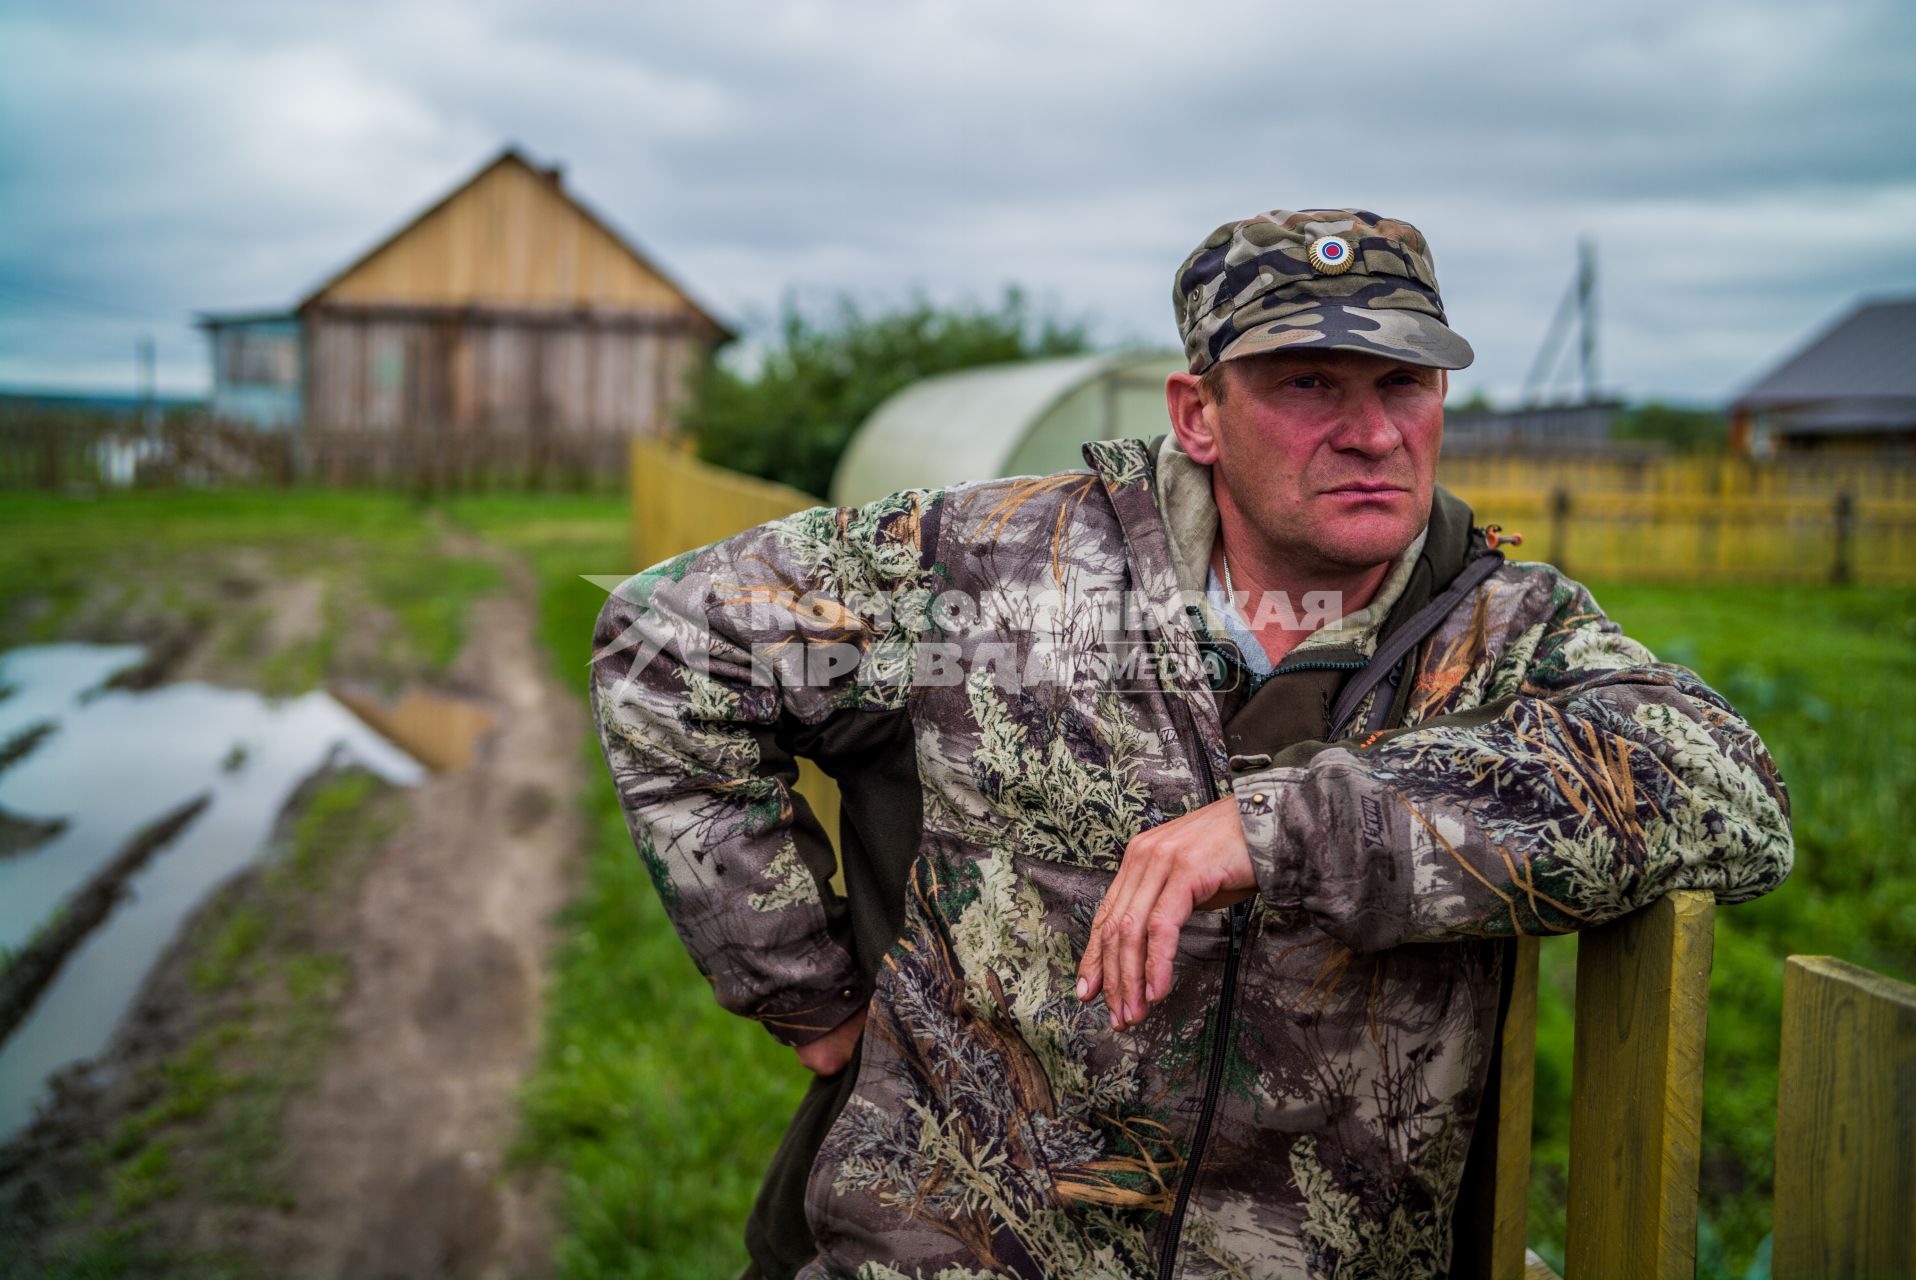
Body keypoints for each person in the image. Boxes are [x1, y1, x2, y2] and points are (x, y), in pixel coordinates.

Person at [590, 209, 1793, 1279]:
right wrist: (804, 990)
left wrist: (1287, 827)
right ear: (1196, 412)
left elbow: (1730, 790)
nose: (1371, 432)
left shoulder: (1500, 630)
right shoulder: (991, 566)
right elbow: (663, 642)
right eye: (1307, 385)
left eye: (1403, 383)